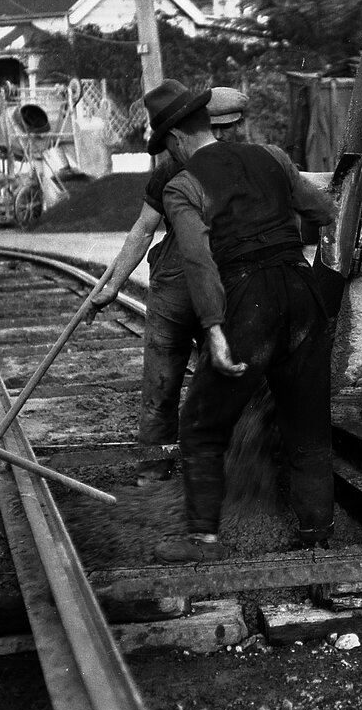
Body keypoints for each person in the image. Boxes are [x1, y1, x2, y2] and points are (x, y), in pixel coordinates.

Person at [139, 78, 337, 563]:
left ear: (176, 140)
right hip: (301, 291)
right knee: (308, 427)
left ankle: (204, 540)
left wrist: (213, 330)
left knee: (202, 426)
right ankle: (319, 540)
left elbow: (198, 262)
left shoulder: (183, 185)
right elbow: (324, 210)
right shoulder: (271, 156)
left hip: (250, 303)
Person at [90, 87, 252, 487]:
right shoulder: (184, 170)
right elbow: (144, 229)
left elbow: (145, 230)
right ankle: (164, 471)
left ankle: (178, 472)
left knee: (186, 384)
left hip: (209, 288)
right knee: (171, 384)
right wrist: (112, 285)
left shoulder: (196, 166)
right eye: (224, 126)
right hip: (187, 291)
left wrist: (114, 286)